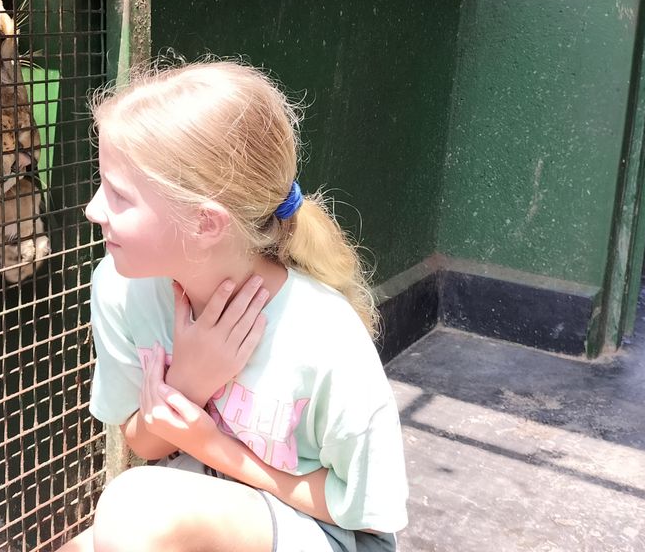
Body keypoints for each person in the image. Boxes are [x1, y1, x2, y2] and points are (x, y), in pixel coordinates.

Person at [58, 61, 408, 552]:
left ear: (206, 224)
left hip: (331, 533)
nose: (93, 209)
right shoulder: (119, 288)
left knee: (135, 508)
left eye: (118, 194)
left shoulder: (324, 334)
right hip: (212, 510)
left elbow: (367, 514)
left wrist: (212, 446)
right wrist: (190, 383)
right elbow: (143, 441)